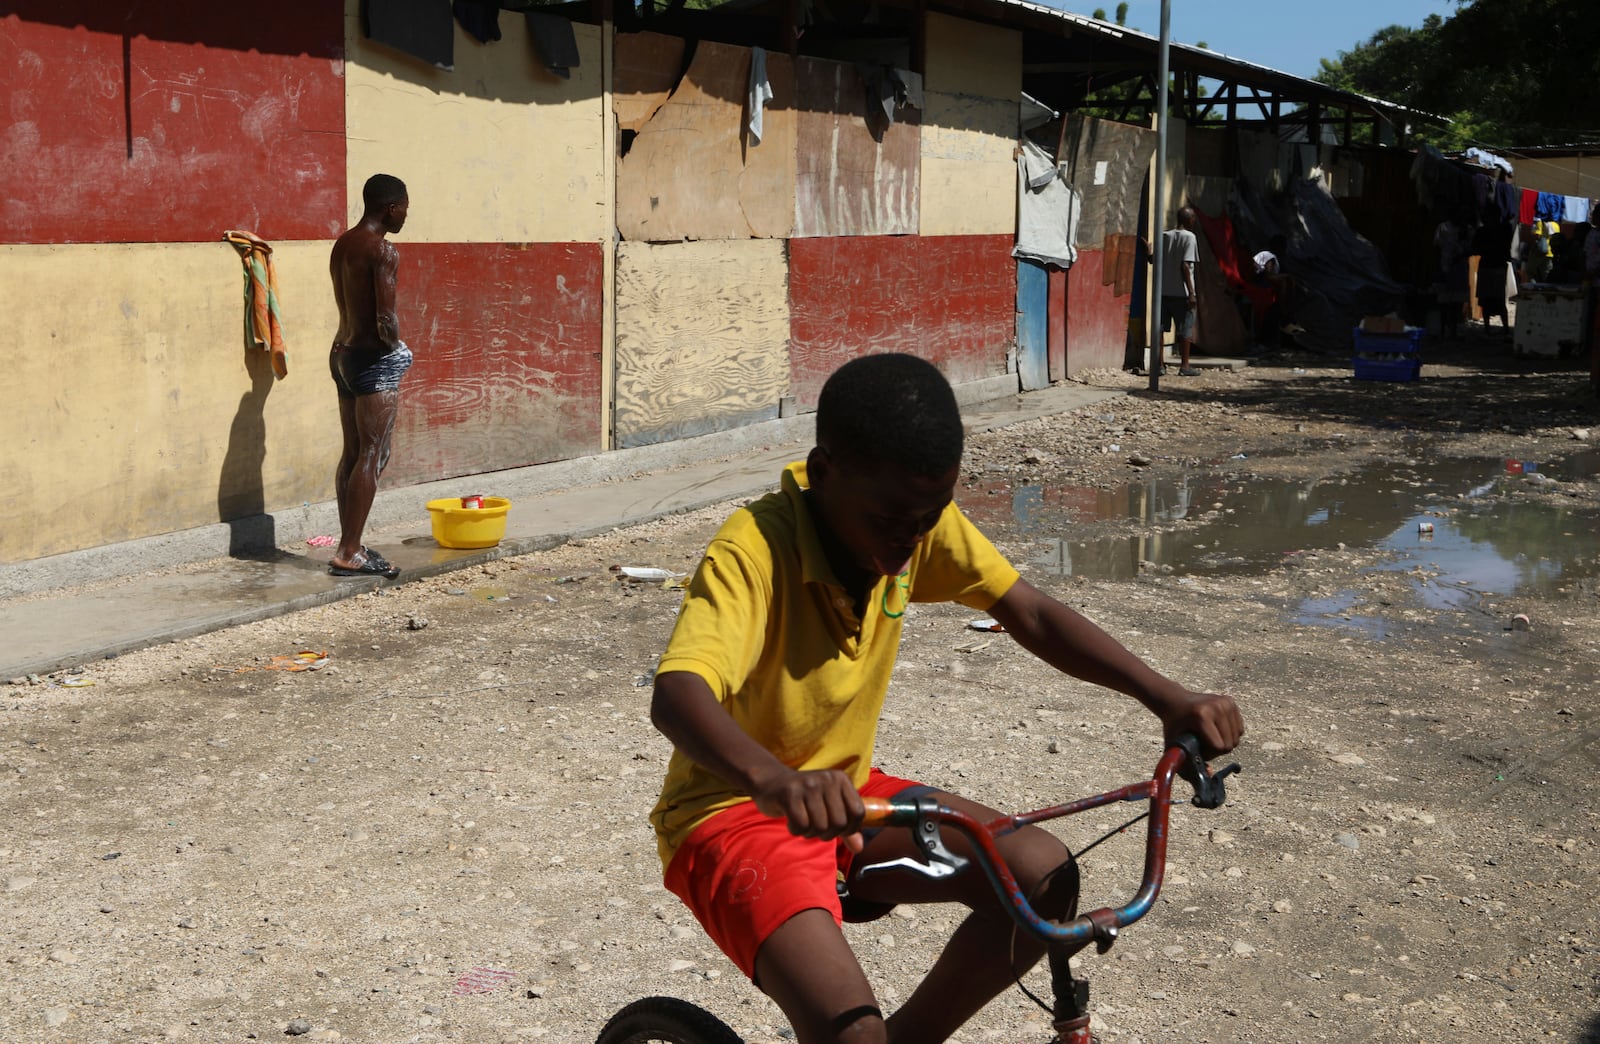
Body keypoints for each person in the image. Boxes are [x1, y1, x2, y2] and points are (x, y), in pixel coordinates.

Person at [648, 353, 1245, 1043]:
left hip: (850, 796)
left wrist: (1166, 697)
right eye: (891, 519)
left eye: (928, 517)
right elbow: (677, 692)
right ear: (822, 473)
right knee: (850, 1032)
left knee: (1042, 879)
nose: (909, 541)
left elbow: (1030, 611)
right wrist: (774, 779)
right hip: (736, 812)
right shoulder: (753, 551)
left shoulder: (911, 524)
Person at [326, 173, 412, 579]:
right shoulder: (383, 250)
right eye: (405, 208)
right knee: (373, 453)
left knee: (353, 451)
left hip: (341, 353)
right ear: (390, 207)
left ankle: (351, 543)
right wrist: (396, 345)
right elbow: (384, 318)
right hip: (371, 358)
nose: (406, 216)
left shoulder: (344, 243)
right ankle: (349, 551)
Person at [1158, 206, 1201, 376]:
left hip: (1164, 291)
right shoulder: (1190, 237)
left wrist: (1148, 253)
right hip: (1182, 294)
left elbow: (1155, 259)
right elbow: (1185, 265)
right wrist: (1191, 293)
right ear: (1189, 219)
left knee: (1160, 329)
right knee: (1185, 331)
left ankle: (1160, 365)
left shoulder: (1165, 236)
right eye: (1194, 218)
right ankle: (1185, 366)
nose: (1195, 221)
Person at [1433, 218, 1470, 339]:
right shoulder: (1443, 228)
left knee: (1456, 302)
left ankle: (1453, 329)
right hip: (1445, 267)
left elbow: (1469, 249)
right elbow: (1437, 248)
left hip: (1459, 269)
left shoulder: (1466, 229)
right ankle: (1443, 329)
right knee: (1444, 301)